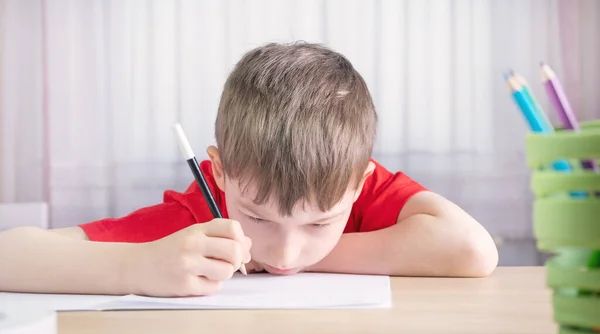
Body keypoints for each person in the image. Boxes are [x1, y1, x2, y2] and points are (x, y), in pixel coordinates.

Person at [0, 42, 498, 297]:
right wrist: (140, 265)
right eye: (257, 218)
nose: (284, 250)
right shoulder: (201, 221)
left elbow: (473, 250)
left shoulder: (346, 176)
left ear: (359, 182)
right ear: (219, 172)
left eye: (319, 223)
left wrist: (298, 258)